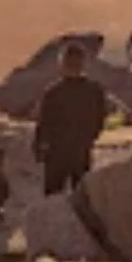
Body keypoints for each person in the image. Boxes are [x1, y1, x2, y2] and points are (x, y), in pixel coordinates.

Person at [35, 42, 107, 195]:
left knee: (53, 199)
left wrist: (39, 147)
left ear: (62, 64)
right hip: (81, 150)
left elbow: (43, 124)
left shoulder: (53, 93)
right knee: (81, 197)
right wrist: (90, 138)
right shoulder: (94, 91)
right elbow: (100, 120)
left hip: (56, 153)